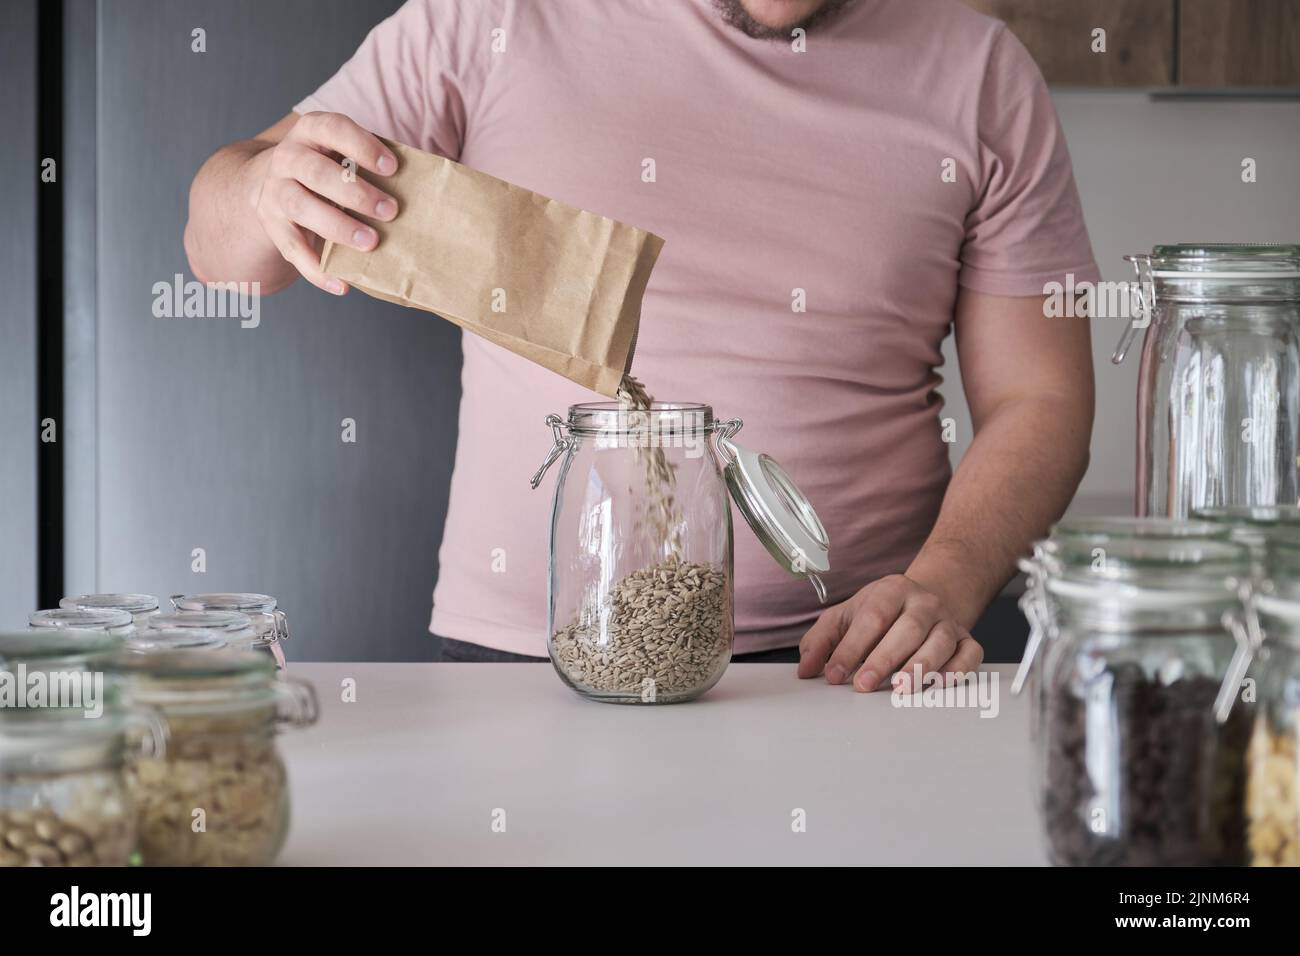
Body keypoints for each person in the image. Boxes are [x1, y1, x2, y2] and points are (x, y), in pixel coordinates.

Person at [184, 0, 1097, 689]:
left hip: (855, 665)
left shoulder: (982, 72)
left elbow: (1040, 399)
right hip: (526, 663)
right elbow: (224, 255)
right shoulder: (491, 18)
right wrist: (266, 186)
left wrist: (943, 585)